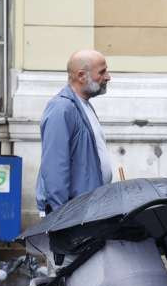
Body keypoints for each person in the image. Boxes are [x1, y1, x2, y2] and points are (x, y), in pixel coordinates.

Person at [36, 49, 113, 214]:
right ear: (81, 76)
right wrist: (60, 216)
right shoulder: (61, 108)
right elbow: (55, 166)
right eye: (102, 72)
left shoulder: (83, 105)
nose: (108, 77)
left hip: (87, 210)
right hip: (72, 216)